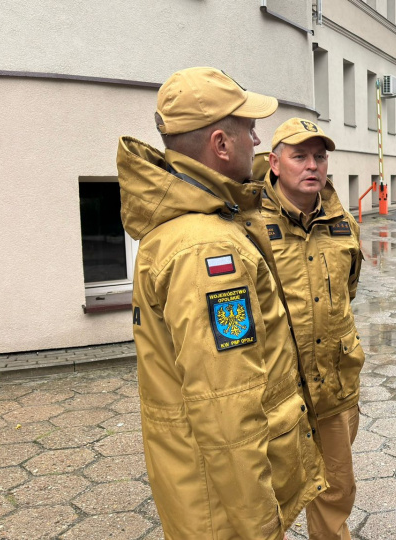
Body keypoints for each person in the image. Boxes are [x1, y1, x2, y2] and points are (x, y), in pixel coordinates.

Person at [117, 67, 326, 539]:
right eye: (248, 128)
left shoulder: (201, 225)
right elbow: (226, 409)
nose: (257, 138)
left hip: (206, 493)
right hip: (224, 510)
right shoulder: (206, 249)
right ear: (221, 144)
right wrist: (261, 528)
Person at [256, 118, 364, 539]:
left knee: (336, 489)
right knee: (271, 498)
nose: (312, 165)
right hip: (275, 393)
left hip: (334, 386)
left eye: (319, 156)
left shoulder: (343, 224)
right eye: (299, 155)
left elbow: (348, 292)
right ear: (275, 163)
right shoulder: (249, 225)